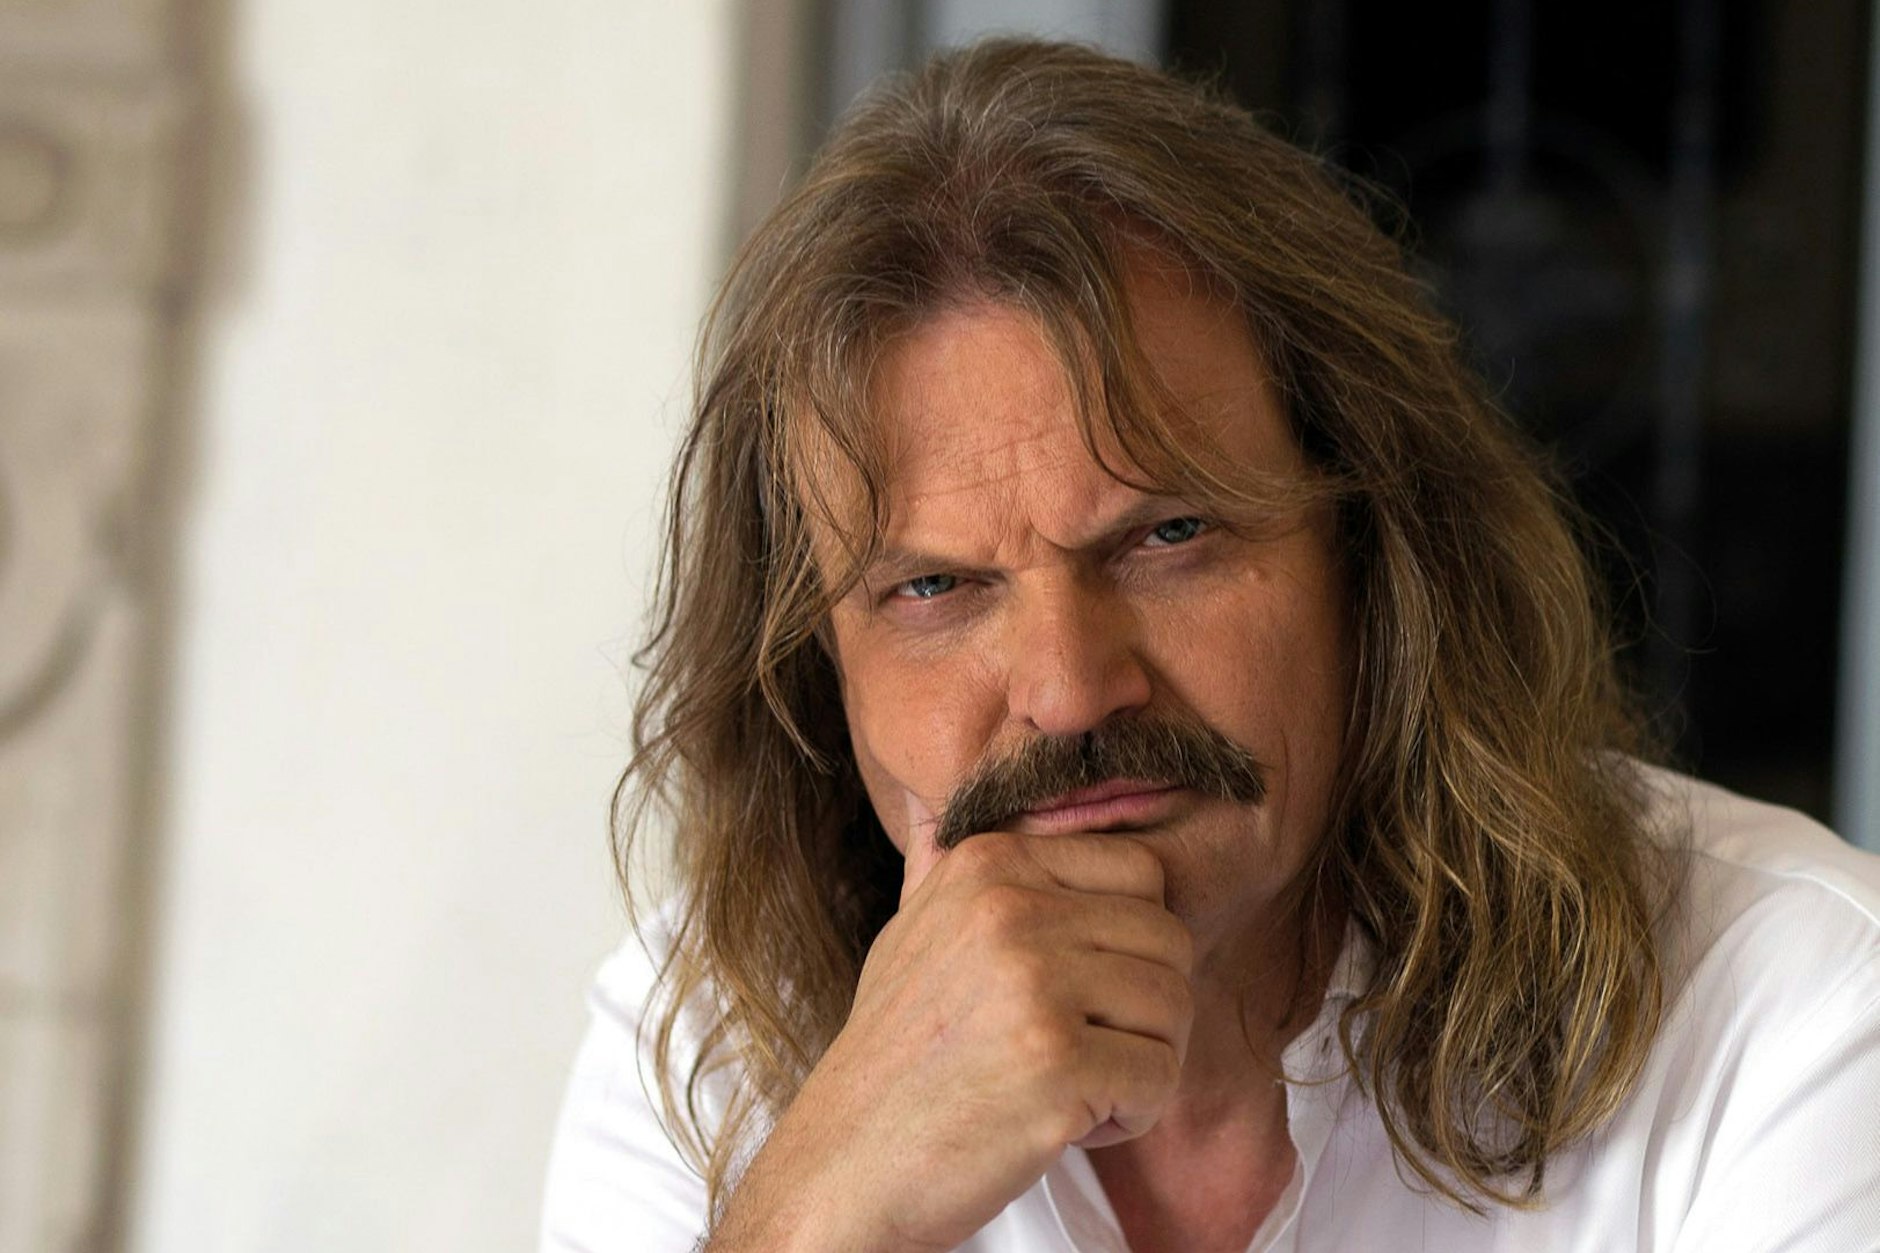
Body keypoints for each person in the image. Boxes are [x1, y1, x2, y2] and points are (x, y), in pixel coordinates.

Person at [540, 38, 1880, 1253]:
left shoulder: (1798, 1010)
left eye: (1169, 534)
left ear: (1378, 558)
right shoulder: (711, 1039)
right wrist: (824, 1210)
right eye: (937, 587)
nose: (1072, 691)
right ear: (812, 670)